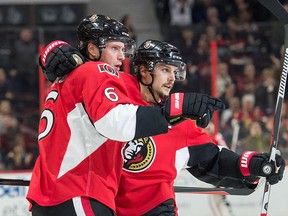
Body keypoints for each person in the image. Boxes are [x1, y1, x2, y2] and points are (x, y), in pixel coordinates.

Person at [43, 39, 285, 215]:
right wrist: (55, 53)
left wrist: (255, 165)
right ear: (143, 71)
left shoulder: (180, 122)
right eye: (164, 69)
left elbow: (215, 160)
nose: (172, 78)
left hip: (156, 210)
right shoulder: (113, 96)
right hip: (103, 206)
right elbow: (82, 70)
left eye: (175, 71)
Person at [27, 14, 223, 216]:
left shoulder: (65, 79)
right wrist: (174, 109)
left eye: (123, 49)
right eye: (114, 48)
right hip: (78, 191)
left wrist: (51, 51)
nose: (122, 56)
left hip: (48, 195)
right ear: (93, 49)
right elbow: (114, 122)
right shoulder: (96, 71)